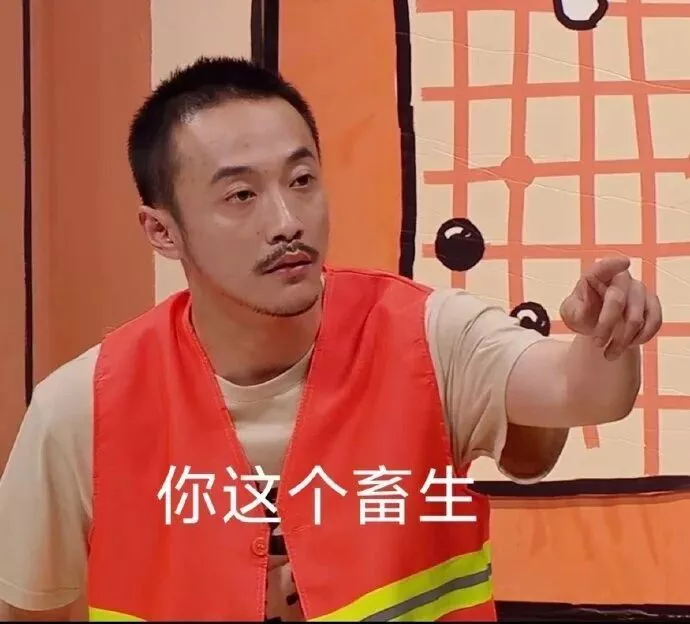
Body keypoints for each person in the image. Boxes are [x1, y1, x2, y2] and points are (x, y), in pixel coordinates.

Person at [0, 56, 661, 623]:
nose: (287, 221)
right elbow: (30, 606)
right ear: (162, 231)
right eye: (240, 195)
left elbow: (581, 392)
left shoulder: (426, 335)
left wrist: (606, 335)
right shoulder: (83, 408)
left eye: (302, 180)